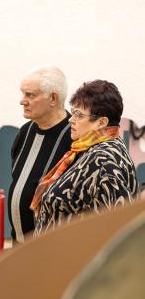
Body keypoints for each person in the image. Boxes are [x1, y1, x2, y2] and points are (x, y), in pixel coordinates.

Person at [32, 80, 139, 235]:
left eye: (79, 115)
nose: (71, 119)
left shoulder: (104, 160)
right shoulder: (93, 148)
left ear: (101, 122)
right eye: (73, 112)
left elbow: (118, 229)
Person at [9, 65, 72, 242]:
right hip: (19, 245)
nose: (22, 101)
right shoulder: (25, 132)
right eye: (23, 94)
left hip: (52, 249)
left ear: (53, 98)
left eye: (30, 95)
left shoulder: (74, 138)